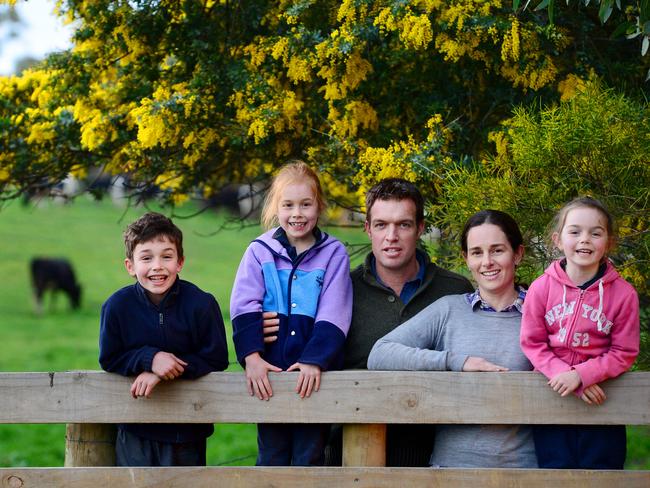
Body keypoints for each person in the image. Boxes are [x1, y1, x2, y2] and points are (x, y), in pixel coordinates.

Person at [264, 178, 473, 466]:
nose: (391, 236)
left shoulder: (454, 291)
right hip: (349, 455)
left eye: (403, 225)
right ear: (368, 229)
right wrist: (262, 328)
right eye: (381, 225)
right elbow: (299, 349)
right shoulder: (337, 291)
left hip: (435, 460)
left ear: (420, 229)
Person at [367, 209, 537, 468]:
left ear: (518, 254)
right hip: (450, 472)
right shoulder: (449, 310)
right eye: (477, 252)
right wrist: (456, 361)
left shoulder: (542, 314)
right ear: (466, 259)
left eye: (497, 250)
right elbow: (380, 353)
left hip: (524, 471)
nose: (487, 262)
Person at [230, 161, 352, 466]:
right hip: (269, 376)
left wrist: (315, 360)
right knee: (271, 455)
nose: (297, 213)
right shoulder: (259, 250)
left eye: (305, 204)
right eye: (288, 205)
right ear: (275, 206)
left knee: (309, 456)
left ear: (319, 206)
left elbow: (334, 312)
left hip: (312, 378)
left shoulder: (333, 253)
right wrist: (252, 358)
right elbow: (243, 304)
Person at [99, 212, 229, 467]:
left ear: (180, 262)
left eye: (166, 256)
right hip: (135, 426)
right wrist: (150, 359)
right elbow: (110, 358)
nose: (157, 266)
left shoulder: (202, 304)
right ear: (130, 266)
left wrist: (164, 372)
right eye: (146, 258)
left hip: (188, 428)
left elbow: (216, 358)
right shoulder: (117, 307)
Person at [520, 197, 640, 469]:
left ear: (608, 243)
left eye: (595, 233)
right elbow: (533, 343)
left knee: (603, 473)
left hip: (601, 402)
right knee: (555, 472)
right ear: (558, 240)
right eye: (575, 231)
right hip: (553, 400)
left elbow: (624, 352)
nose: (584, 239)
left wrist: (582, 376)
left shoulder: (623, 295)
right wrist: (565, 375)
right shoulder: (541, 289)